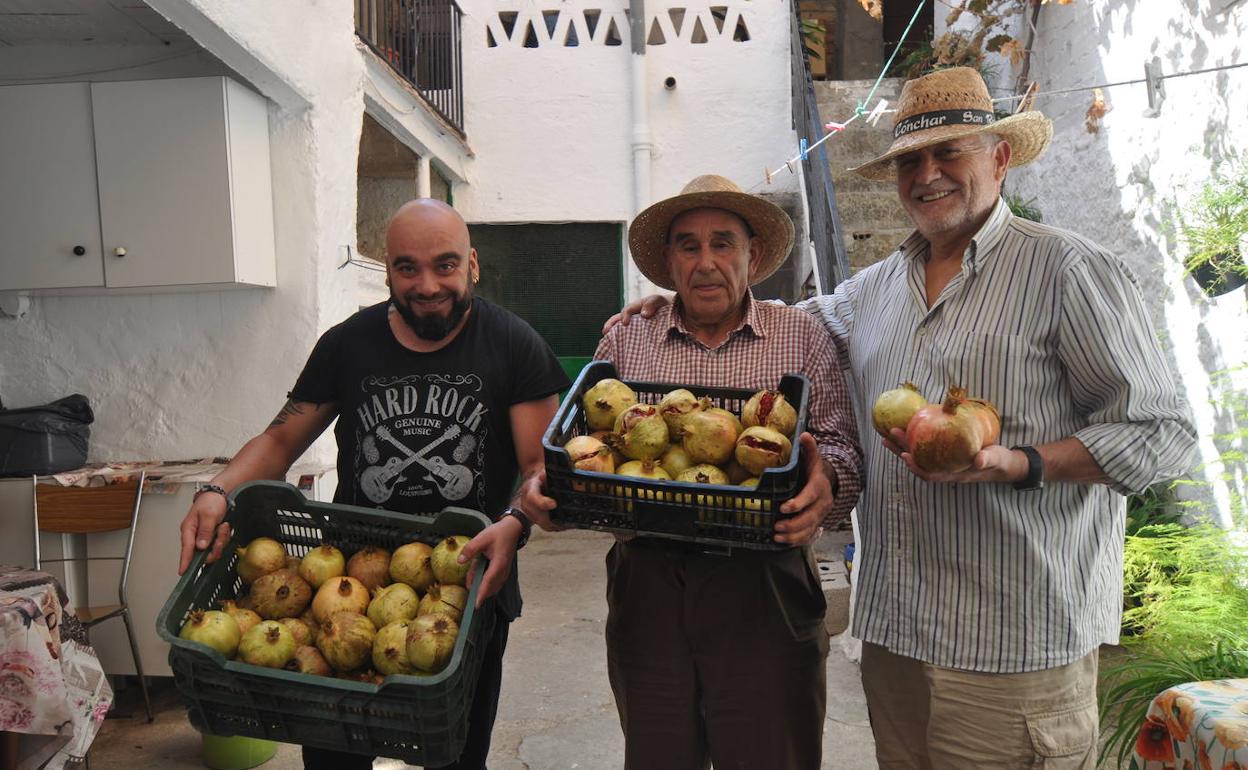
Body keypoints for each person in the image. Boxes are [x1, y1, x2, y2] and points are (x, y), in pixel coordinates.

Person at [609, 68, 1198, 769]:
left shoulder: (1069, 270)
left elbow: (1162, 432)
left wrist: (1022, 461)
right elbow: (780, 330)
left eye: (951, 152)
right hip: (899, 640)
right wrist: (679, 306)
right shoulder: (879, 287)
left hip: (1011, 640)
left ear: (1000, 156)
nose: (928, 174)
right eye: (911, 160)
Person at [177, 199, 570, 770]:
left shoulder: (514, 344)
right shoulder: (348, 343)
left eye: (445, 265)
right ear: (386, 269)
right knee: (336, 758)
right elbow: (283, 438)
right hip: (349, 577)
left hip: (468, 587)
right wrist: (216, 490)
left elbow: (537, 468)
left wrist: (516, 522)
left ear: (473, 265)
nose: (427, 284)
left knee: (456, 755)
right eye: (408, 267)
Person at [522, 173, 864, 770]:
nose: (706, 262)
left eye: (723, 243)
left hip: (765, 584)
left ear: (753, 256)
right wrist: (556, 494)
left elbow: (840, 446)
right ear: (669, 263)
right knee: (658, 754)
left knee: (772, 755)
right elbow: (590, 442)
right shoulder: (629, 336)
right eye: (688, 245)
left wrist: (825, 485)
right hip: (648, 580)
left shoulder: (801, 337)